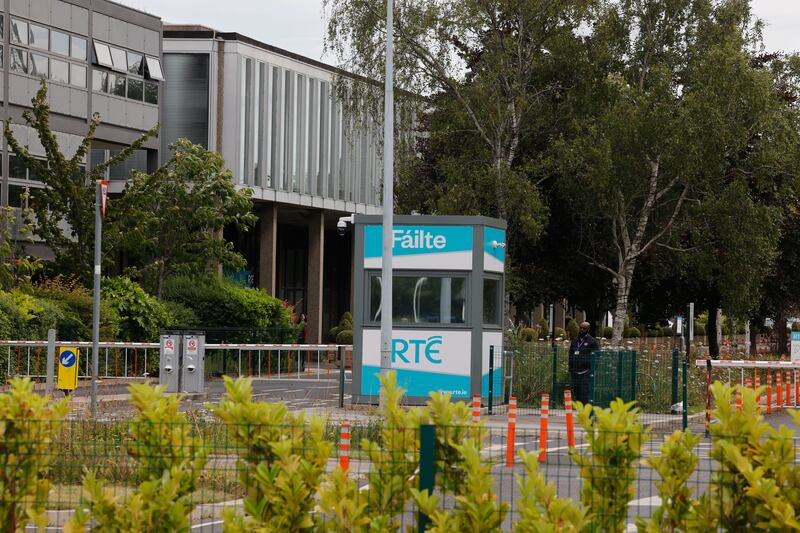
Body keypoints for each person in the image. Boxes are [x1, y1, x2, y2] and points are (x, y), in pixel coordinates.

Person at [569, 321, 598, 405]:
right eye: (580, 328)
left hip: (586, 371)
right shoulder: (575, 340)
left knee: (584, 391)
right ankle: (579, 407)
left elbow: (597, 356)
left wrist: (592, 368)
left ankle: (586, 407)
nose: (581, 330)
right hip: (575, 370)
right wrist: (570, 367)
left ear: (588, 329)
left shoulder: (592, 341)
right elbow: (570, 353)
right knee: (576, 390)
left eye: (584, 328)